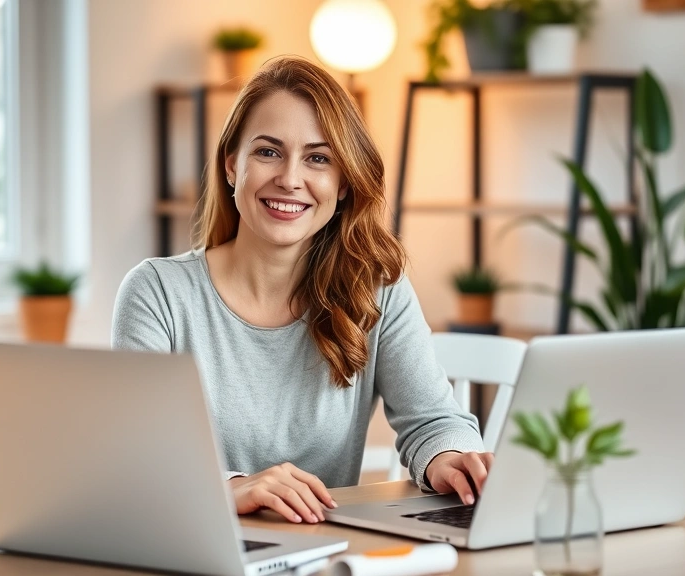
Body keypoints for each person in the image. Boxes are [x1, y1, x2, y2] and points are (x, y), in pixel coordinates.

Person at [112, 56, 492, 525]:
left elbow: (433, 421)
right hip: (195, 548)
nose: (290, 179)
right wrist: (229, 486)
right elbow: (143, 459)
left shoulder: (376, 290)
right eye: (268, 152)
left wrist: (451, 458)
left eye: (318, 158)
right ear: (232, 165)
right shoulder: (157, 294)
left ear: (345, 182)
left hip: (325, 555)